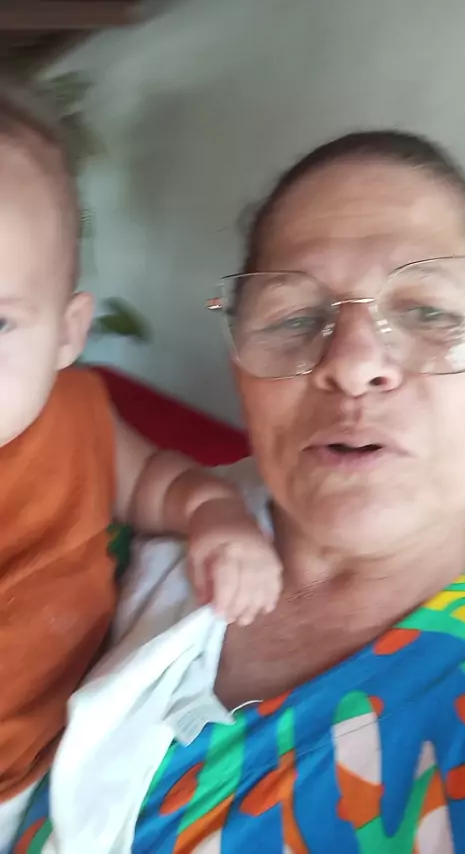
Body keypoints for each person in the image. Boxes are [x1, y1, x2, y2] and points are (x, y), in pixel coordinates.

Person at [14, 128, 465, 854]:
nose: (353, 362)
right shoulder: (127, 520)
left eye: (429, 312)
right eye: (296, 318)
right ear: (240, 368)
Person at [0, 85, 283, 854]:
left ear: (68, 333)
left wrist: (216, 518)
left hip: (40, 773)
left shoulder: (79, 419)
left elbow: (163, 480)